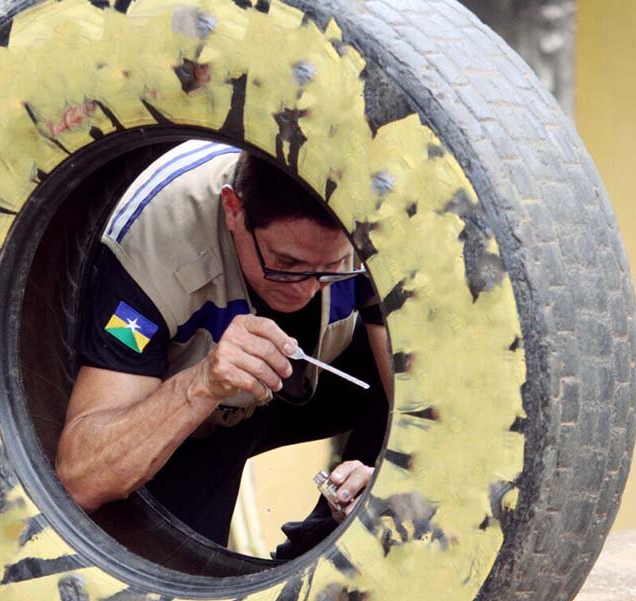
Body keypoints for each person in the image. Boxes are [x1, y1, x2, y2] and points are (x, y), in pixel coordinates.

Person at [56, 140, 391, 558]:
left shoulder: (379, 228)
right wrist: (202, 384)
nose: (308, 288)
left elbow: (425, 410)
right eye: (286, 264)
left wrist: (385, 479)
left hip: (323, 380)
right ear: (234, 209)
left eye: (332, 268)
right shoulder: (152, 247)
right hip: (193, 416)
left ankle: (336, 541)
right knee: (181, 565)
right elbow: (81, 477)